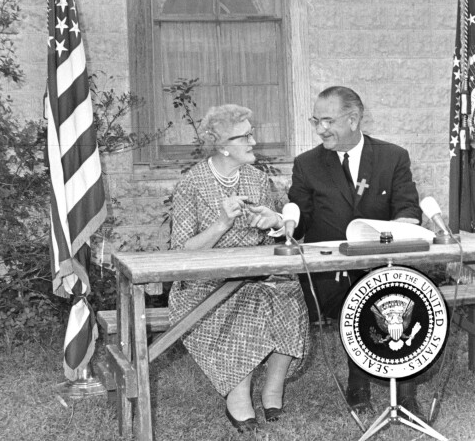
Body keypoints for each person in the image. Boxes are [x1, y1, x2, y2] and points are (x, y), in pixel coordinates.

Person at [169, 104, 309, 433]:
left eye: (252, 132)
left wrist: (274, 223)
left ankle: (273, 389)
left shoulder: (258, 180)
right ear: (222, 146)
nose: (253, 141)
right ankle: (238, 395)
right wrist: (220, 224)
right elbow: (180, 253)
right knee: (248, 305)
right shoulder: (192, 184)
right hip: (204, 284)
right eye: (245, 135)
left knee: (289, 292)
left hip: (253, 275)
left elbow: (279, 234)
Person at [288, 86, 423, 415]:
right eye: (316, 121)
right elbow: (300, 222)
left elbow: (409, 211)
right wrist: (283, 223)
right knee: (359, 297)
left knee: (400, 295)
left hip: (382, 263)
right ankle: (358, 383)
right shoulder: (307, 164)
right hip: (329, 275)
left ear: (353, 119)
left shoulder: (393, 157)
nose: (321, 129)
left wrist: (397, 227)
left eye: (328, 121)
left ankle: (405, 392)